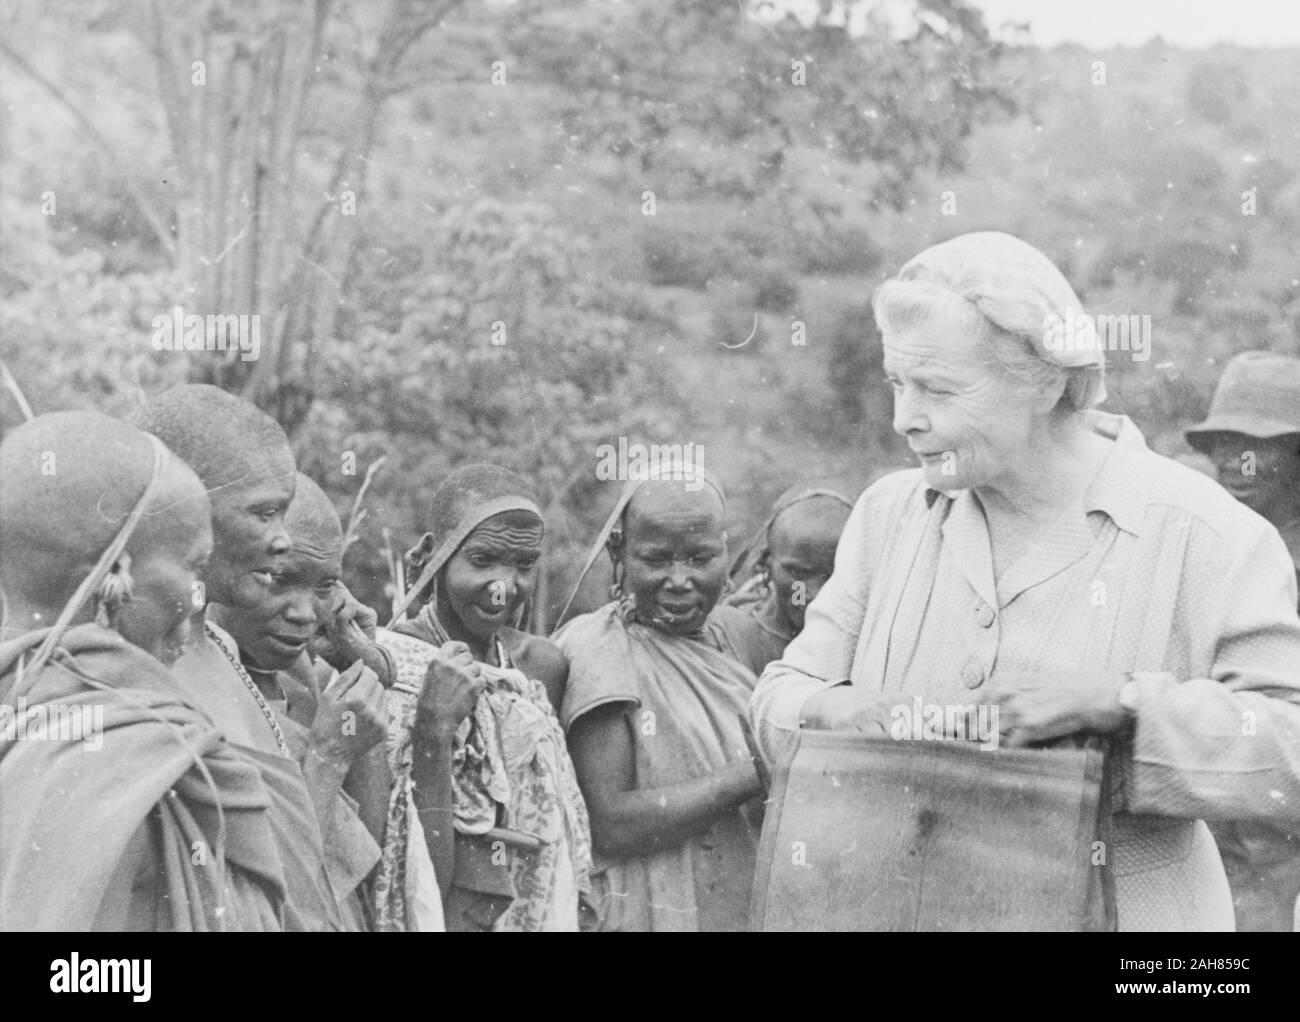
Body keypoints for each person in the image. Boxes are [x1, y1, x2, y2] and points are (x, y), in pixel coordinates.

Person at [750, 231, 1300, 931]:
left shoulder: (1203, 534)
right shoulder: (890, 516)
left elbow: (1290, 748)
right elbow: (774, 705)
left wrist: (1124, 710)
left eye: (938, 389)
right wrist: (849, 716)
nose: (903, 419)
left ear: (1043, 381)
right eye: (897, 383)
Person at [0, 411, 285, 930]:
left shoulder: (24, 713)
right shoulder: (120, 763)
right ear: (114, 577)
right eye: (195, 568)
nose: (199, 596)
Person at [133, 384, 359, 930]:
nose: (282, 540)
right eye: (264, 514)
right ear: (181, 509)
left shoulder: (226, 652)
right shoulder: (133, 676)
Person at [374, 463, 591, 931]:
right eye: (482, 559)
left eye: (523, 566)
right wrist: (433, 726)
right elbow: (395, 862)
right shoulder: (389, 665)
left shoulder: (538, 667)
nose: (503, 587)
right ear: (433, 554)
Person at [553, 464, 767, 931]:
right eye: (656, 558)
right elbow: (609, 822)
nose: (678, 579)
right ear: (621, 553)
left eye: (699, 557)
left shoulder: (737, 637)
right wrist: (750, 776)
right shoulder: (600, 650)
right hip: (648, 911)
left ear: (725, 552)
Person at [211, 473, 390, 931]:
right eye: (280, 579)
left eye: (325, 585)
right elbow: (267, 900)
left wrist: (362, 673)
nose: (304, 613)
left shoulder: (306, 681)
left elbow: (361, 867)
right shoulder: (200, 687)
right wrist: (328, 757)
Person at [1185, 350, 1300, 931]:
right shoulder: (1207, 545)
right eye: (1222, 443)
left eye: (1256, 443)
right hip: (1204, 811)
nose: (1234, 462)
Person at [725, 483, 854, 667]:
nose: (814, 594)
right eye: (798, 573)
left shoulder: (866, 639)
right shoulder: (733, 637)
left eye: (831, 576)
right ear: (765, 563)